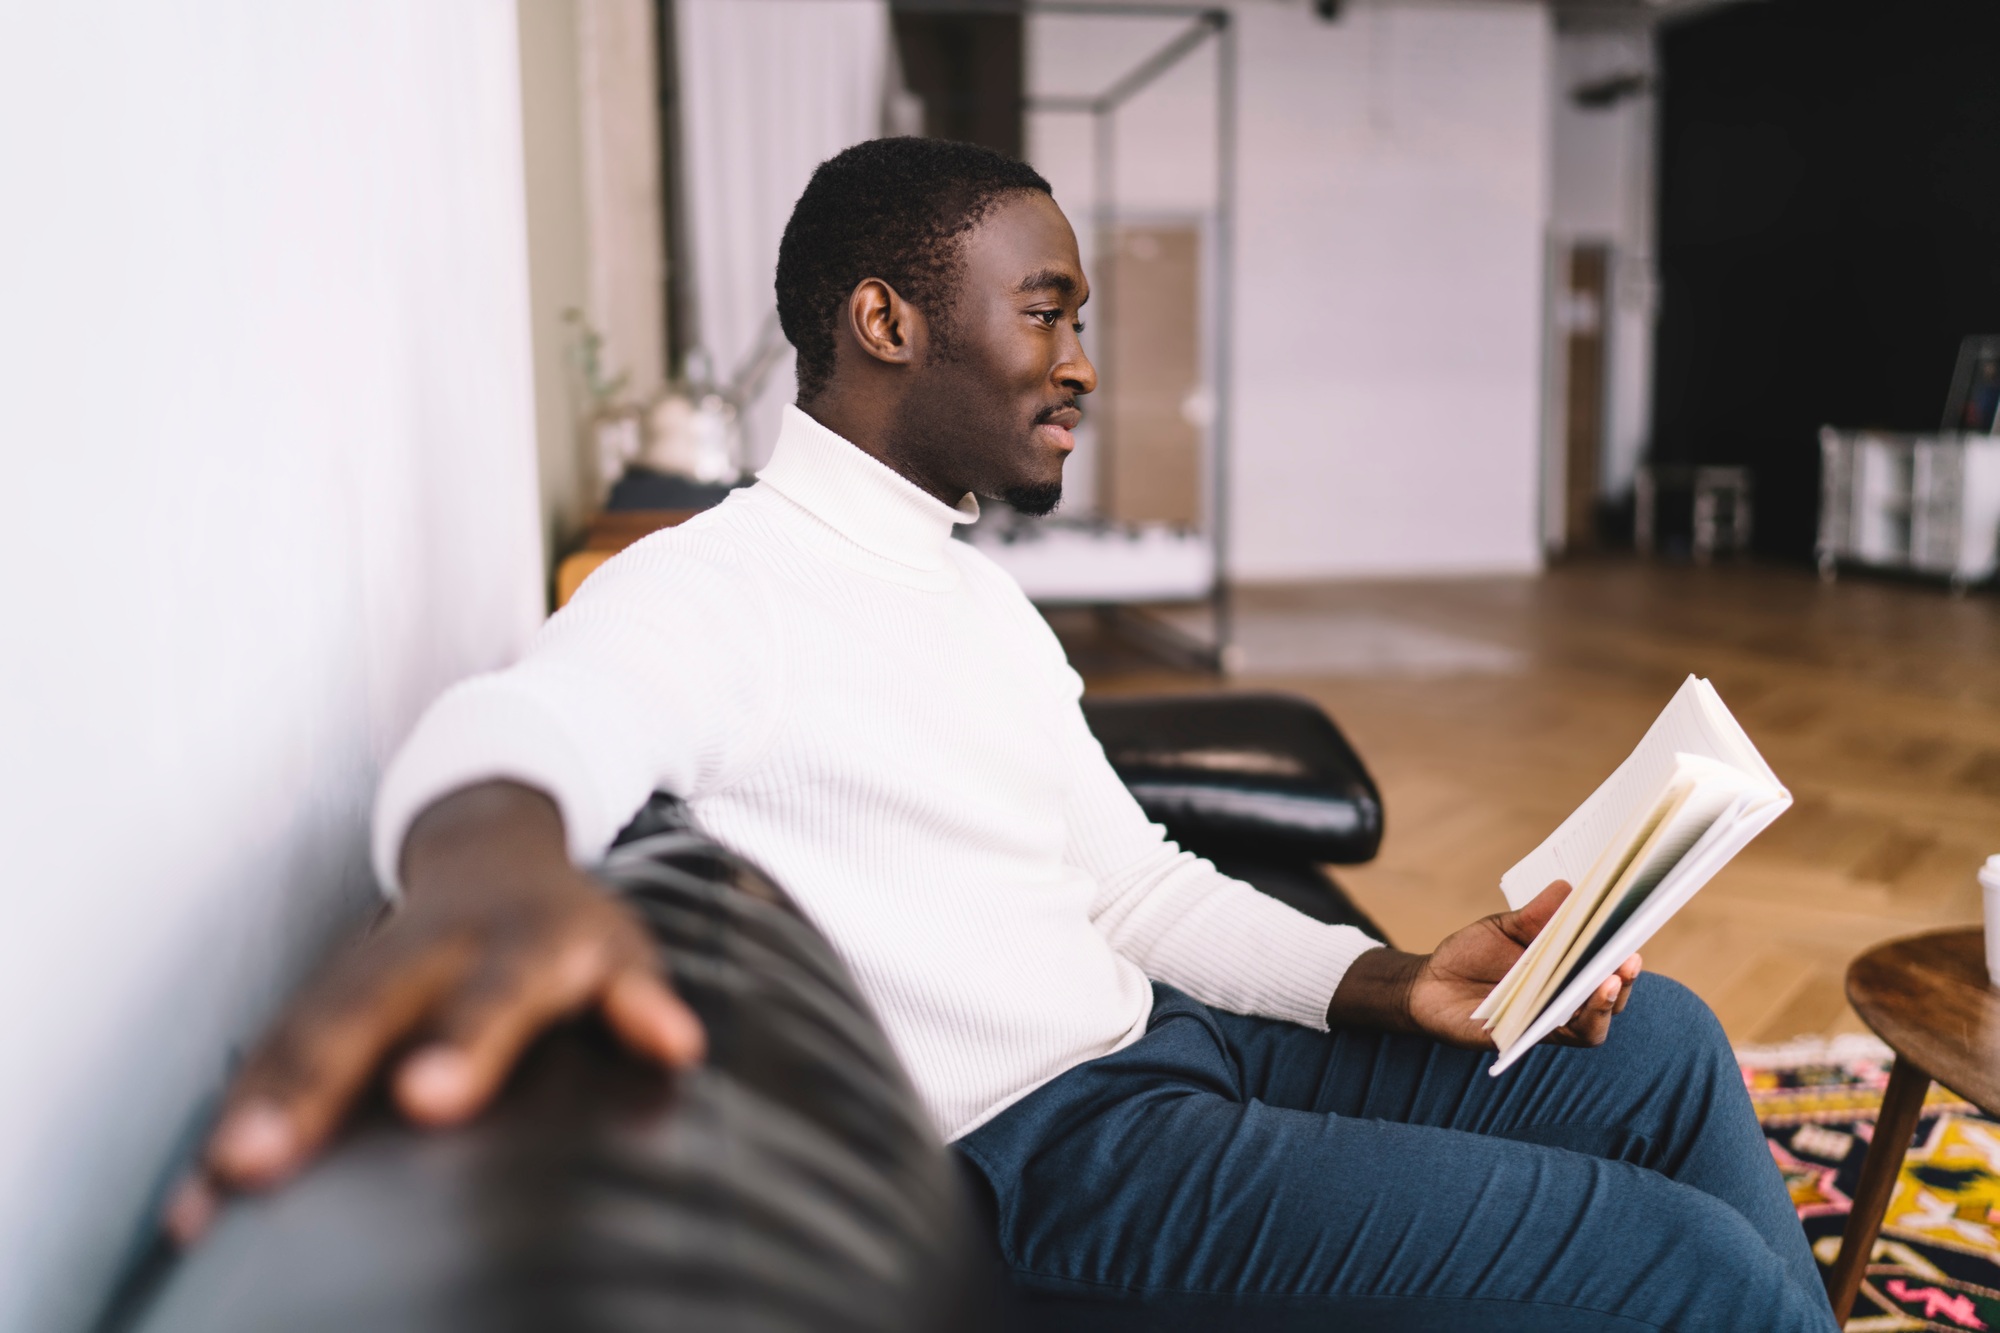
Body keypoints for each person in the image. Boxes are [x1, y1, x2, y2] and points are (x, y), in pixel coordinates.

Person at [171, 138, 1837, 1329]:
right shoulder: (721, 582)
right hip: (1055, 1154)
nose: (1084, 363)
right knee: (1671, 1268)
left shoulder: (970, 596)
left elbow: (1133, 884)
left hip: (1162, 1047)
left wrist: (1399, 977)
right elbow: (522, 726)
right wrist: (480, 874)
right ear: (886, 320)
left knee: (1667, 1041)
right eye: (1045, 310)